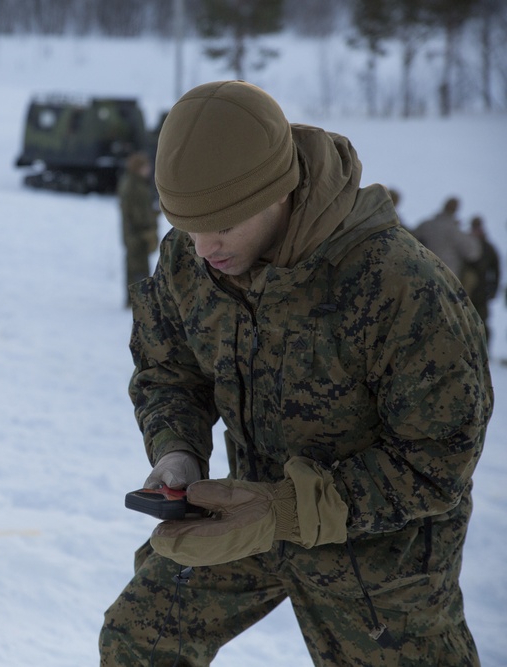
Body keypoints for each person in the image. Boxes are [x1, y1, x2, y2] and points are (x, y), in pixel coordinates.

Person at [100, 81, 492, 666]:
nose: (204, 247)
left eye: (224, 225)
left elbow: (440, 460)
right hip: (242, 510)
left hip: (379, 554)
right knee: (139, 638)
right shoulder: (193, 255)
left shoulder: (399, 286)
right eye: (188, 225)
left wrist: (287, 510)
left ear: (279, 192)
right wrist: (177, 449)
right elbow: (168, 367)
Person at [118, 152, 160, 306]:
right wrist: (149, 228)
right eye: (145, 166)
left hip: (131, 235)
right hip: (137, 235)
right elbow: (139, 214)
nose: (149, 169)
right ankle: (140, 302)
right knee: (139, 269)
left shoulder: (130, 182)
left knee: (134, 266)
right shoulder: (136, 186)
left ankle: (133, 300)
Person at [411, 196, 481, 281]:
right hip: (445, 278)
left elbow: (410, 243)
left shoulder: (426, 225)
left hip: (421, 272)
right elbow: (473, 254)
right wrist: (475, 238)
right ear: (455, 210)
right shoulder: (456, 232)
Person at [460, 215, 500, 347]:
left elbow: (496, 270)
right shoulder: (467, 243)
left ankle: (484, 349)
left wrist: (494, 289)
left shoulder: (488, 247)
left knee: (481, 322)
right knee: (464, 321)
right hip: (467, 290)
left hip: (481, 292)